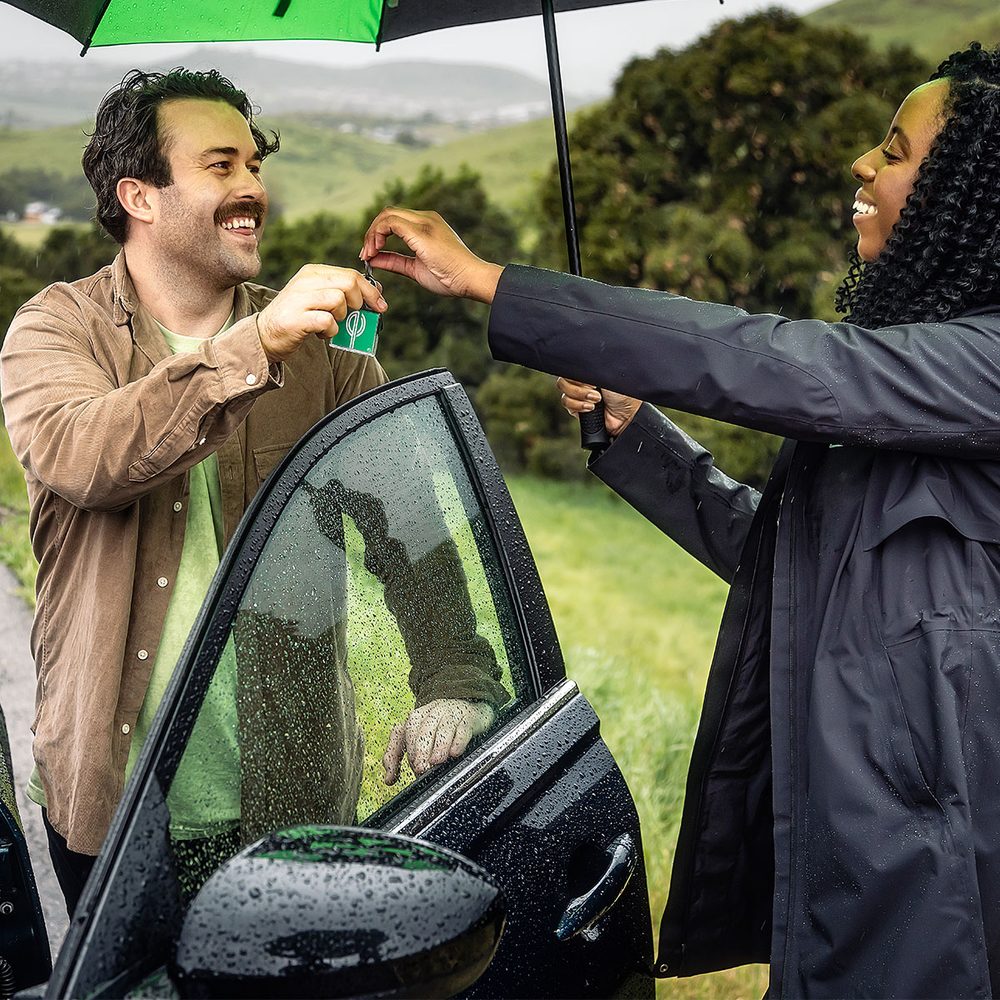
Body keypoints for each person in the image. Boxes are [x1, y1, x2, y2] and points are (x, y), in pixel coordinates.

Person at [359, 42, 1000, 999]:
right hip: (841, 877)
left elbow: (781, 364)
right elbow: (780, 558)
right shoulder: (911, 386)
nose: (863, 164)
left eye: (896, 151)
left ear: (967, 201)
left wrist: (496, 283)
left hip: (945, 900)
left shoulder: (979, 368)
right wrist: (636, 432)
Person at [0, 68, 507, 917]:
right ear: (138, 195)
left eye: (255, 166)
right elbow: (82, 455)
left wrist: (455, 680)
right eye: (221, 165)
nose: (252, 189)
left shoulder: (330, 357)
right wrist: (252, 347)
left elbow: (411, 537)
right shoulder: (55, 329)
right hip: (113, 804)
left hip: (293, 801)